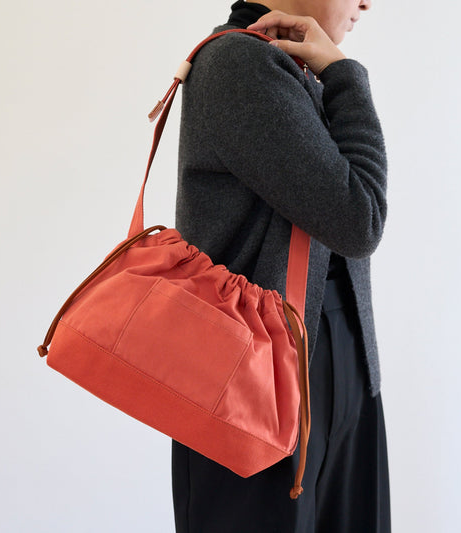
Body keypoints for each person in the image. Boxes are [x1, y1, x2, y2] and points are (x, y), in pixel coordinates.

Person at [171, 1, 391, 531]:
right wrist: (343, 74)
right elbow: (359, 219)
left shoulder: (292, 64)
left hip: (332, 362)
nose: (368, 2)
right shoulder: (239, 65)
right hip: (253, 388)